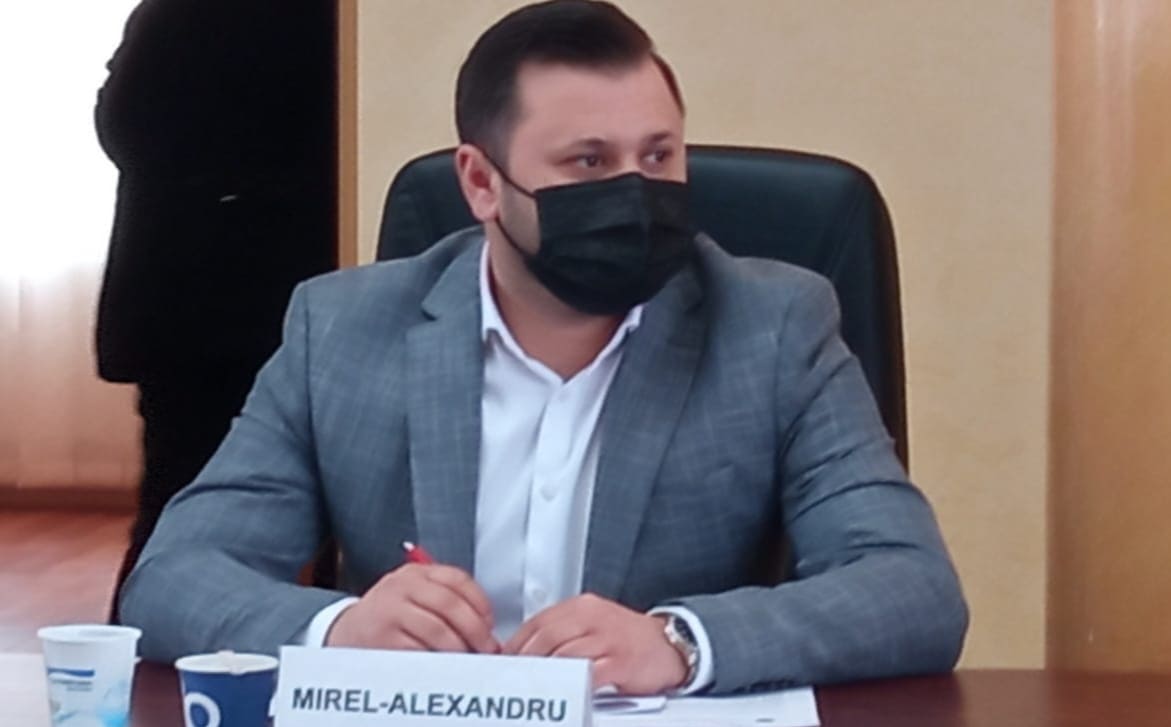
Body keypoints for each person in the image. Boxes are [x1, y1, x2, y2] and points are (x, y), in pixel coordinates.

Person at [120, 0, 967, 695]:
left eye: (657, 156)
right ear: (481, 182)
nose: (633, 192)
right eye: (588, 162)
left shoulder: (771, 325)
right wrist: (339, 629)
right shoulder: (343, 328)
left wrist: (681, 641)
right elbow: (173, 577)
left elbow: (911, 588)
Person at [94, 0, 337, 622]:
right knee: (184, 500)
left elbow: (120, 123)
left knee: (178, 498)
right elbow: (126, 125)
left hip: (206, 296)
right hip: (222, 300)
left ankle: (144, 662)